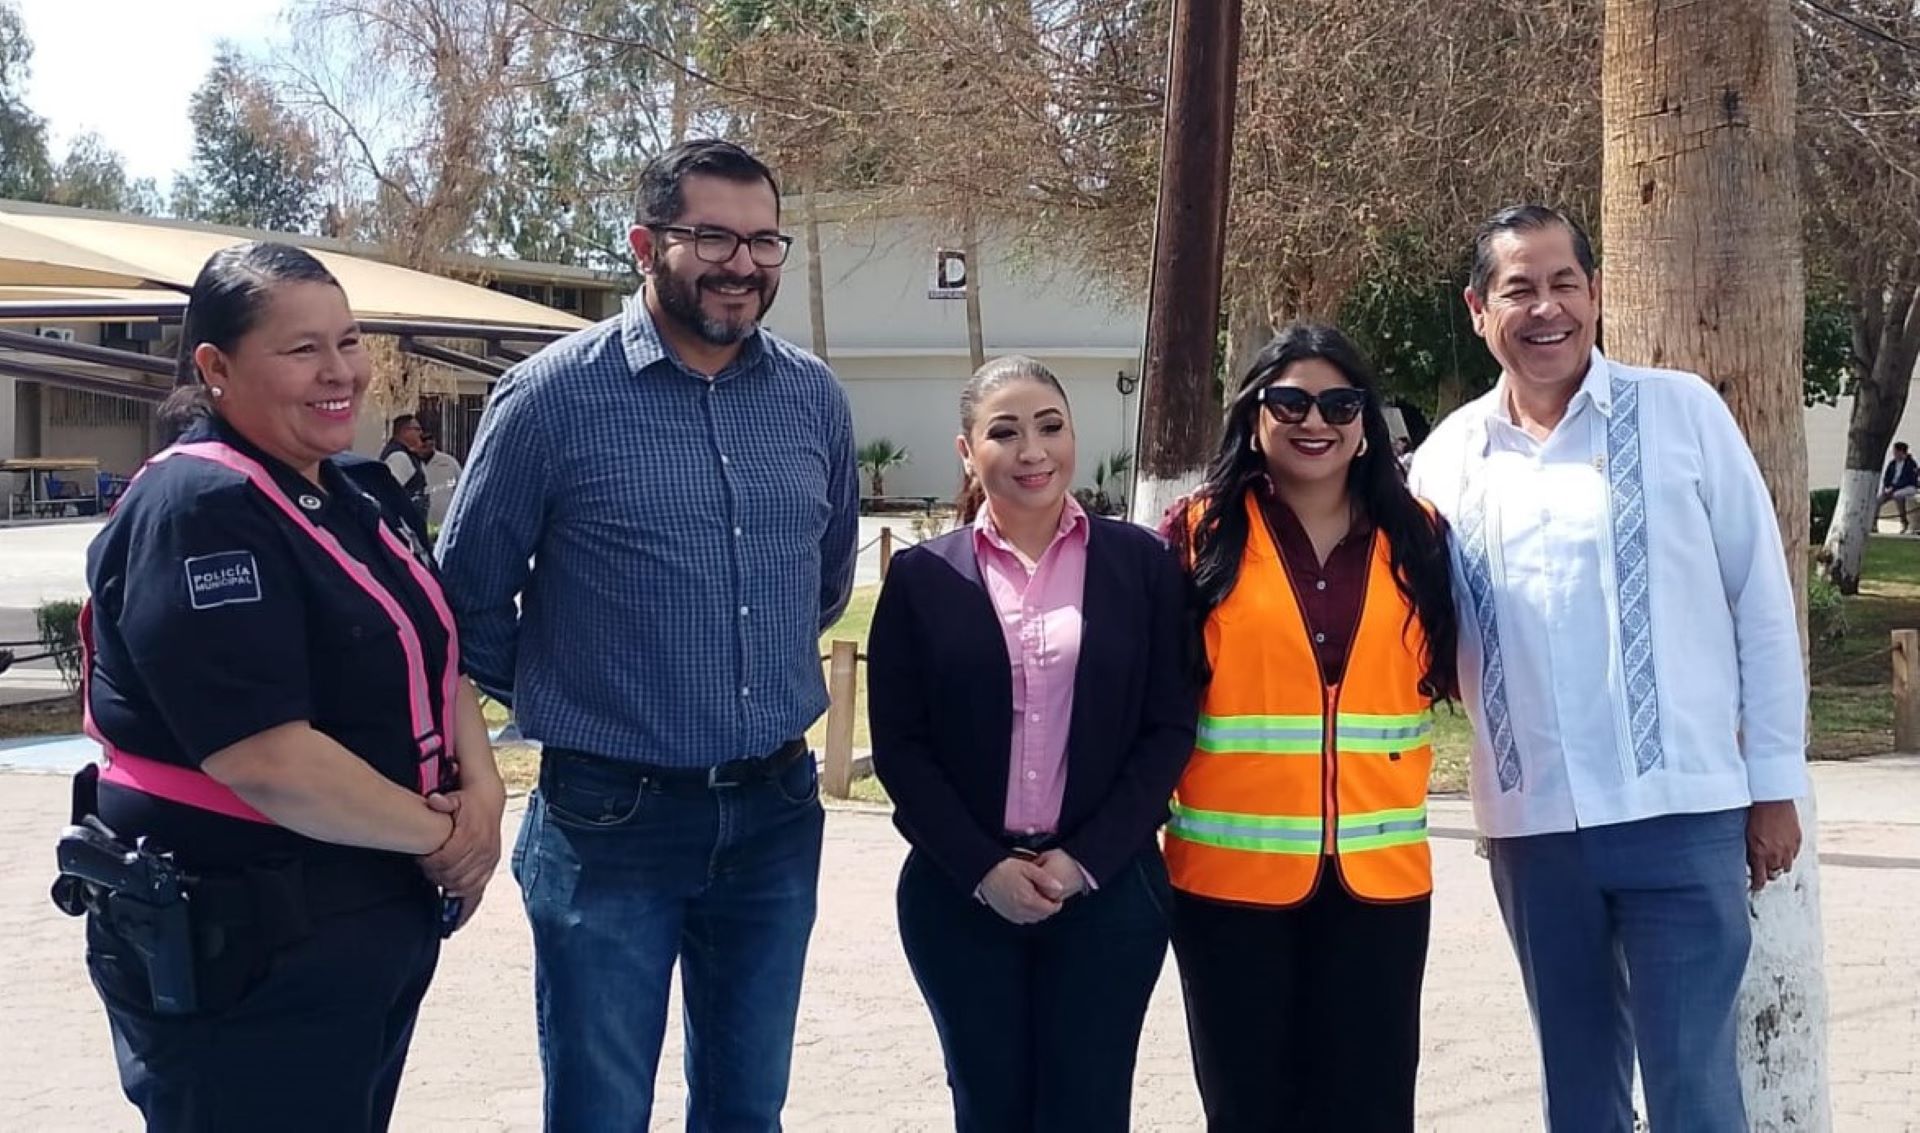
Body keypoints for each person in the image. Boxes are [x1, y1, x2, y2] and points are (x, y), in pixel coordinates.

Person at [437, 138, 859, 1131]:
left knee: (748, 1107)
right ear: (643, 243)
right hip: (607, 824)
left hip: (774, 813)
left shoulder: (813, 398)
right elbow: (464, 601)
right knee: (599, 1110)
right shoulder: (549, 398)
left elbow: (825, 577)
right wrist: (576, 686)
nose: (743, 263)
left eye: (764, 240)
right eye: (712, 235)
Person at [64, 241, 503, 1132]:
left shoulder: (355, 488)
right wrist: (440, 836)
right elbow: (265, 755)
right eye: (301, 350)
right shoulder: (196, 510)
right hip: (247, 943)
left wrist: (484, 792)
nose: (338, 371)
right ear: (216, 367)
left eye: (348, 342)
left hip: (365, 911)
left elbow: (436, 651)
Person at [1409, 205, 1807, 1132]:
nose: (1545, 308)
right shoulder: (1444, 460)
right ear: (1478, 309)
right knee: (1578, 1089)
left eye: (1564, 284)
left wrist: (1775, 785)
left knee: (1693, 1088)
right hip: (1533, 823)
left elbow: (1761, 603)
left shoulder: (1682, 413)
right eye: (1519, 289)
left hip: (1684, 812)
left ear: (1594, 294)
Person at [867, 356, 1195, 1132]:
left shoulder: (1140, 563)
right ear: (967, 452)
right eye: (1005, 432)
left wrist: (1081, 862)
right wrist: (985, 869)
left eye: (1050, 426)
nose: (1032, 451)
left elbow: (1169, 725)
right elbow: (902, 749)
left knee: (1088, 1109)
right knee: (991, 1107)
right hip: (960, 893)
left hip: (1109, 892)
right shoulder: (921, 578)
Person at [1162, 322, 1458, 1132]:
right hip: (1229, 887)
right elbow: (1150, 707)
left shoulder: (1423, 538)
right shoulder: (1195, 535)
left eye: (1339, 402)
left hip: (1380, 886)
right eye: (1288, 400)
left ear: (1366, 422)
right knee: (1249, 1110)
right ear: (1254, 414)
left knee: (1370, 1108)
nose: (1314, 420)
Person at [380, 413, 430, 525]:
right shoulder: (399, 457)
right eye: (417, 429)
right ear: (404, 431)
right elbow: (388, 493)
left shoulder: (409, 456)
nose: (421, 433)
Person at [417, 430, 463, 528]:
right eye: (422, 446)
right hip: (419, 526)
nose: (424, 449)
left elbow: (462, 490)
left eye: (428, 444)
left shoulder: (449, 462)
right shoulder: (411, 463)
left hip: (444, 525)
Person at [1880, 440, 1919, 533]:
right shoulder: (1892, 464)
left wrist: (1893, 488)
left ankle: (1904, 521)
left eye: (1895, 452)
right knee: (1878, 500)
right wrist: (1885, 488)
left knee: (1898, 495)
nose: (1894, 454)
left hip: (1908, 487)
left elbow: (1906, 480)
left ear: (1901, 452)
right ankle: (1873, 524)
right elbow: (1886, 477)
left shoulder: (1910, 464)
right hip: (1892, 488)